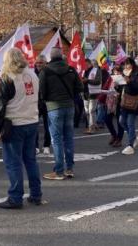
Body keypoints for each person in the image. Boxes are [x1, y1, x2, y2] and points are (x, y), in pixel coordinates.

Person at [0, 48, 44, 209]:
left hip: (14, 123)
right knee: (30, 160)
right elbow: (39, 99)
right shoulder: (33, 75)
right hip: (31, 121)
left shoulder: (8, 77)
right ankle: (36, 194)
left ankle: (15, 197)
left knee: (13, 163)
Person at [39, 47, 83, 180]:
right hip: (69, 106)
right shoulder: (71, 69)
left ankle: (58, 171)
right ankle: (69, 169)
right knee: (68, 138)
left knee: (56, 139)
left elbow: (42, 91)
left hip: (53, 107)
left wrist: (46, 100)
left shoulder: (45, 71)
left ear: (50, 57)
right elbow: (80, 87)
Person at [119, 57, 138, 155]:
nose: (126, 66)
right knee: (121, 121)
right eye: (124, 65)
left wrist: (129, 81)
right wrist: (117, 84)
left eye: (127, 64)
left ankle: (130, 145)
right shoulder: (124, 72)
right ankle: (133, 137)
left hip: (134, 100)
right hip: (124, 99)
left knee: (130, 122)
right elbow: (123, 86)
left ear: (132, 64)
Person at [33, 56, 51, 155]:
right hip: (35, 103)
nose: (38, 64)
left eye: (41, 63)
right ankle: (35, 146)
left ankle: (46, 145)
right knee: (34, 125)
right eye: (37, 63)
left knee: (47, 126)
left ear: (45, 63)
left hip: (47, 103)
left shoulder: (49, 73)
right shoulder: (32, 74)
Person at [104, 65, 124, 147]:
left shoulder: (123, 80)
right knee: (107, 119)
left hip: (119, 103)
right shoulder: (110, 79)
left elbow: (124, 90)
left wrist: (117, 88)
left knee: (120, 122)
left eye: (118, 71)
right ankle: (114, 135)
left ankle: (119, 139)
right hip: (110, 102)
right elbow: (106, 87)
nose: (116, 73)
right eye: (115, 71)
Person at [81, 59, 102, 134]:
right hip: (85, 93)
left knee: (91, 111)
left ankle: (91, 128)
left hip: (93, 93)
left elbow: (98, 81)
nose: (85, 66)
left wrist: (88, 80)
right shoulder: (83, 71)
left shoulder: (96, 71)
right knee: (87, 111)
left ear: (89, 63)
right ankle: (93, 125)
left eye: (86, 64)